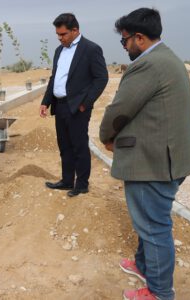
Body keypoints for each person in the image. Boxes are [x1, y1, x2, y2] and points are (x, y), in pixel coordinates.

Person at [99, 8, 190, 300]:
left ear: (140, 38)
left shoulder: (148, 65)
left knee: (154, 227)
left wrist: (106, 136)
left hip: (152, 161)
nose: (124, 46)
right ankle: (144, 266)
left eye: (125, 41)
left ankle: (158, 292)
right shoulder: (169, 58)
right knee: (149, 219)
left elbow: (120, 109)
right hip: (169, 156)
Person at [40, 13, 108, 197]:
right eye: (58, 35)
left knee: (79, 145)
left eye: (63, 34)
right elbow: (55, 78)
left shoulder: (91, 49)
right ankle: (67, 180)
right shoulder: (58, 51)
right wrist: (46, 101)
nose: (60, 38)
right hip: (60, 105)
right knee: (65, 146)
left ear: (75, 30)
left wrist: (85, 104)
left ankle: (82, 184)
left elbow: (101, 78)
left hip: (78, 107)